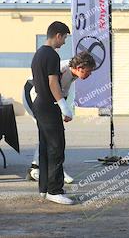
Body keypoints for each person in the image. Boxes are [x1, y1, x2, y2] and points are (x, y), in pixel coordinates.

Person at [30, 21, 85, 205]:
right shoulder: (52, 55)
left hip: (40, 104)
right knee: (56, 149)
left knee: (45, 149)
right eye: (65, 38)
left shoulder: (38, 54)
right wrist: (63, 105)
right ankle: (55, 191)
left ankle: (44, 189)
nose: (64, 42)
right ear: (58, 35)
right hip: (49, 106)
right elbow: (53, 83)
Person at [24, 51, 96, 185]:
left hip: (45, 99)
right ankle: (42, 170)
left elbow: (63, 94)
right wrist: (63, 110)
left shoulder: (73, 74)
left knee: (51, 133)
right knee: (49, 132)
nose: (90, 74)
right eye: (89, 71)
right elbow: (51, 88)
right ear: (80, 67)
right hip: (31, 94)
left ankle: (38, 168)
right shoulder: (62, 69)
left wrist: (64, 111)